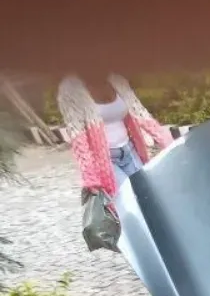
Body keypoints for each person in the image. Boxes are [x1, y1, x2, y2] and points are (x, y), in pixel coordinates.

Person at [57, 75, 173, 213]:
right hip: (106, 161)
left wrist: (170, 143)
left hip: (129, 151)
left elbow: (141, 114)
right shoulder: (70, 89)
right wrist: (90, 177)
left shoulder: (117, 80)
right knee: (127, 203)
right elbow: (78, 137)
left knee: (148, 195)